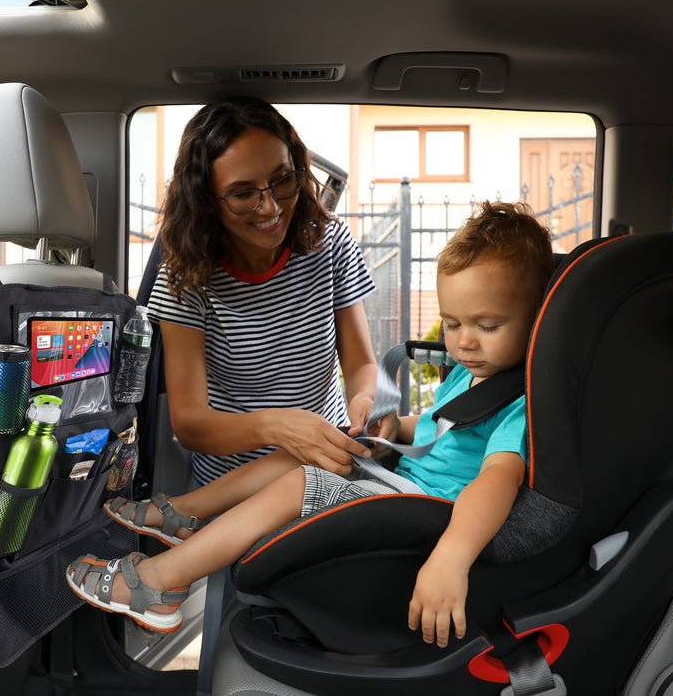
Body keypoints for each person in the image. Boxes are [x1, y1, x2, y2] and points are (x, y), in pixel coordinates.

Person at [68, 201, 555, 648]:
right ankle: (183, 512)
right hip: (404, 485)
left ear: (536, 320)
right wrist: (395, 430)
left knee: (305, 481)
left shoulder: (519, 404)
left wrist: (452, 556)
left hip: (431, 516)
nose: (465, 342)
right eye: (452, 324)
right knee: (308, 451)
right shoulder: (471, 376)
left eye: (487, 327)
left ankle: (158, 585)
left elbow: (495, 482)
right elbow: (434, 429)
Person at [146, 96, 392, 487]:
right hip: (229, 489)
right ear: (207, 202)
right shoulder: (184, 282)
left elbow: (361, 365)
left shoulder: (332, 243)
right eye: (244, 194)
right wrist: (277, 427)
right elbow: (190, 423)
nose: (271, 207)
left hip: (323, 471)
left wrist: (366, 401)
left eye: (282, 180)